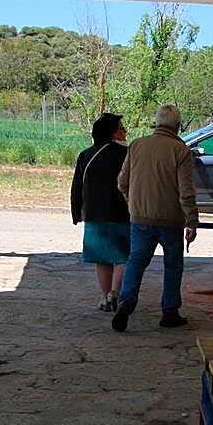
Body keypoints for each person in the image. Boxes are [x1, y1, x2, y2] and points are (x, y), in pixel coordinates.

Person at [111, 104, 199, 331]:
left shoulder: (137, 145)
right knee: (172, 264)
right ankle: (169, 311)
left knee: (136, 261)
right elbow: (186, 191)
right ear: (178, 126)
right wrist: (192, 221)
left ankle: (126, 301)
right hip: (171, 221)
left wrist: (133, 204)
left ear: (156, 124)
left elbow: (122, 182)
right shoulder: (181, 151)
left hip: (140, 219)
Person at [71, 112, 130, 311]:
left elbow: (77, 187)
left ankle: (105, 297)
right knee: (124, 256)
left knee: (102, 258)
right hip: (123, 213)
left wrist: (76, 213)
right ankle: (115, 292)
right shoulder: (127, 154)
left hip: (94, 215)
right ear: (113, 133)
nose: (125, 132)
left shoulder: (86, 155)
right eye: (122, 128)